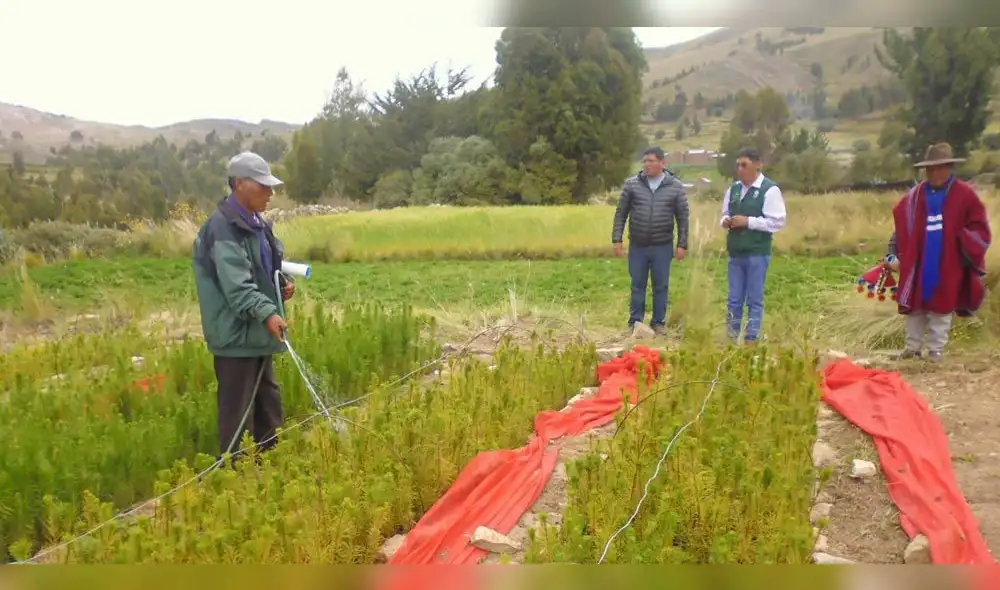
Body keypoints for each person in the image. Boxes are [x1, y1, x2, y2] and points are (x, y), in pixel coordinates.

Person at [192, 151, 296, 459]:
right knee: (238, 416)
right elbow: (238, 288)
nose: (270, 193)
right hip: (236, 336)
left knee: (268, 404)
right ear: (239, 184)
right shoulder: (223, 228)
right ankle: (235, 483)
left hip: (257, 335)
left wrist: (280, 286)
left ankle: (272, 467)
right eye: (262, 186)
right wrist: (267, 312)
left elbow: (262, 269)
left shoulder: (256, 223)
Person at [890, 142, 991, 362]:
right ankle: (912, 348)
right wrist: (894, 254)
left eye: (940, 167)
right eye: (931, 169)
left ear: (950, 168)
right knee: (915, 307)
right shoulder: (914, 197)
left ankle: (935, 351)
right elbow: (900, 229)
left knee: (942, 306)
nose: (935, 173)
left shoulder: (965, 195)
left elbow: (980, 228)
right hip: (918, 262)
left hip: (948, 262)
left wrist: (963, 245)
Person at [611, 146, 690, 336]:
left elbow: (683, 217)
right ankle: (635, 322)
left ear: (663, 163)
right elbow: (621, 213)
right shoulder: (632, 185)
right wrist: (617, 238)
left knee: (660, 285)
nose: (647, 164)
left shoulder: (675, 186)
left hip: (662, 245)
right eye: (645, 161)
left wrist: (682, 244)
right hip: (638, 244)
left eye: (651, 161)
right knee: (637, 284)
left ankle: (658, 322)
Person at [720, 147, 787, 344]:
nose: (740, 169)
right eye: (738, 165)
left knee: (754, 299)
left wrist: (748, 221)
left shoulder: (769, 190)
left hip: (757, 252)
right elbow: (724, 213)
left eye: (744, 165)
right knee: (734, 299)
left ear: (758, 165)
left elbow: (777, 222)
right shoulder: (733, 189)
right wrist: (726, 221)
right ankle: (731, 338)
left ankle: (752, 338)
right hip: (736, 252)